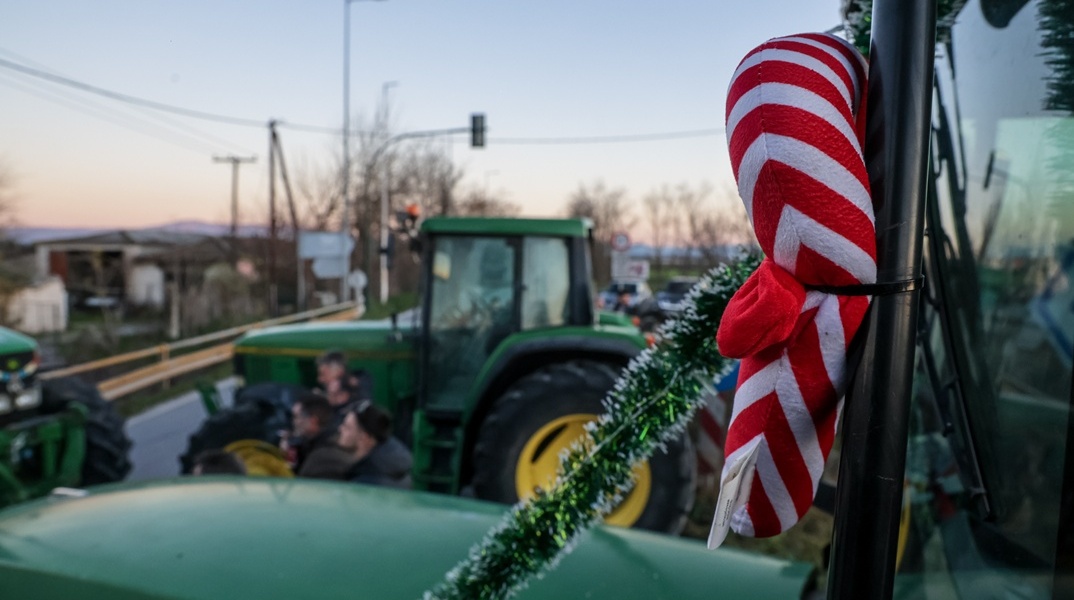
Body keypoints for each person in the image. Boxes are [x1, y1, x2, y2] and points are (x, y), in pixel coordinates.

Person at [337, 401, 413, 489]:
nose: (340, 429)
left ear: (364, 437)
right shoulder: (390, 467)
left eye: (347, 427)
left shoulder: (367, 484)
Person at [285, 392, 352, 480]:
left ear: (313, 421)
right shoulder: (314, 446)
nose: (294, 422)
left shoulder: (323, 456)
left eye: (296, 417)